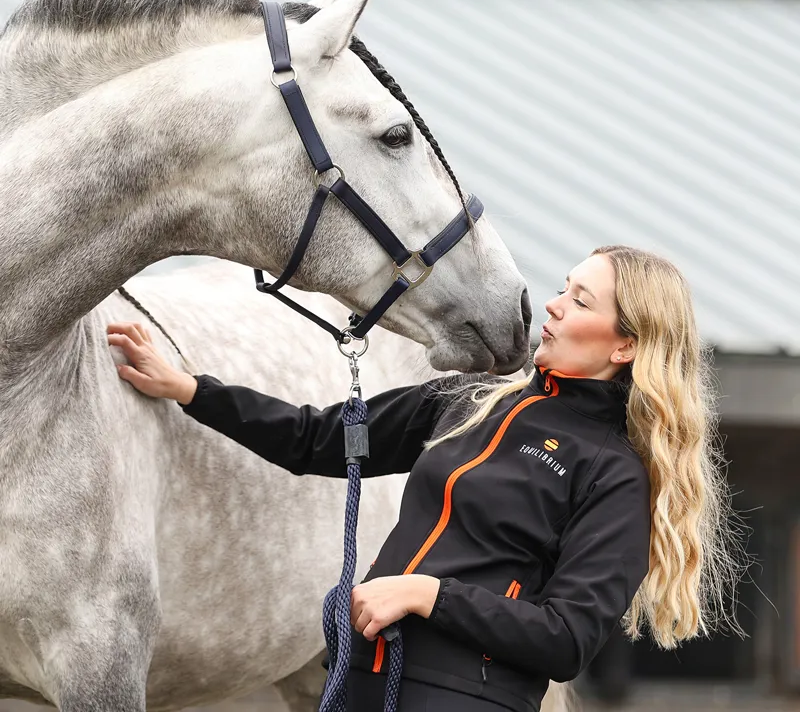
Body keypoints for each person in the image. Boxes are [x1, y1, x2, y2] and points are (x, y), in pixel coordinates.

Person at [107, 245, 742, 712]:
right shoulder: (465, 402)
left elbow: (567, 638)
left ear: (625, 346)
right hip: (359, 679)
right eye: (563, 287)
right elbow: (319, 439)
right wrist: (191, 390)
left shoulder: (612, 473)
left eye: (580, 300)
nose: (551, 303)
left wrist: (427, 595)